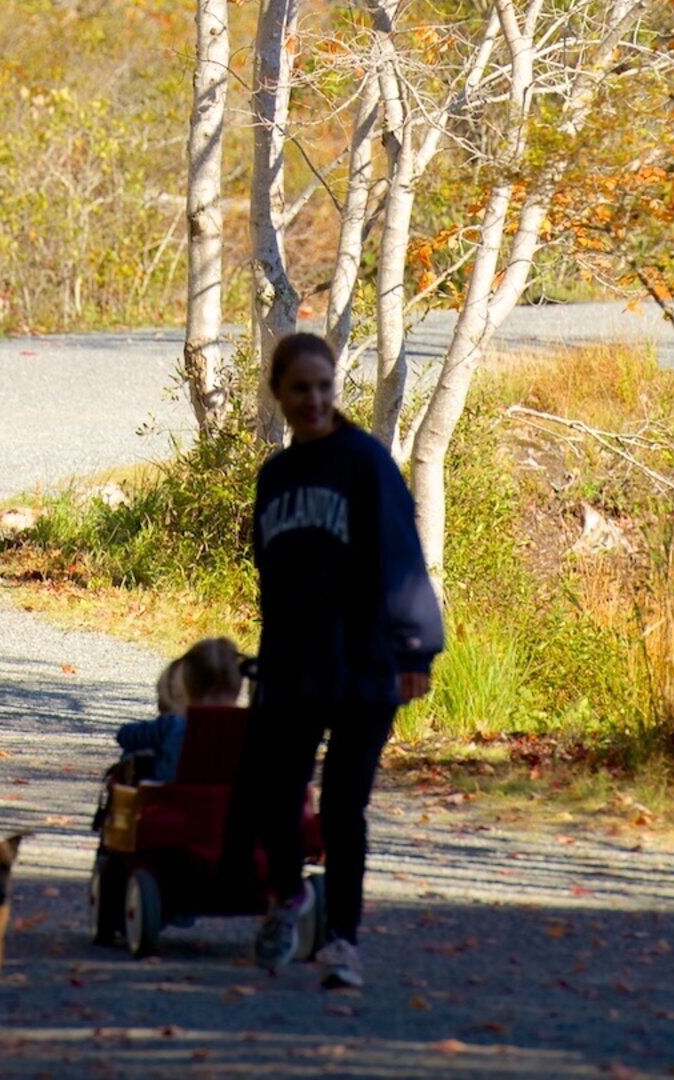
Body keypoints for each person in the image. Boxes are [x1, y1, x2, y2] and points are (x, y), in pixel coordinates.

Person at [221, 329, 442, 994]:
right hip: (293, 665)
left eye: (323, 386)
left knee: (343, 807)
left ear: (334, 389)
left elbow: (401, 557)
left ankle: (343, 943)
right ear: (279, 397)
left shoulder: (365, 462)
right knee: (271, 794)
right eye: (299, 389)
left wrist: (415, 648)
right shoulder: (275, 477)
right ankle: (289, 902)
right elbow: (270, 574)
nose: (313, 399)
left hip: (367, 664)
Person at [115, 636, 247, 780]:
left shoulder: (175, 724)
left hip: (169, 798)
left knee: (134, 752)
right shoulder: (248, 727)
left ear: (187, 685)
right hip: (231, 800)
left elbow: (124, 734)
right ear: (238, 686)